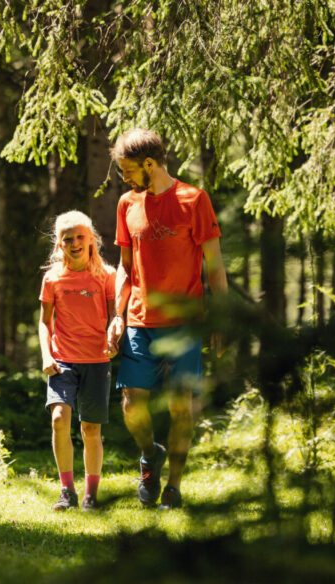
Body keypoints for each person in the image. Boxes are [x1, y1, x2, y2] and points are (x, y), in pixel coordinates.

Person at [105, 129, 228, 510]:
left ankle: (173, 487)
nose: (123, 178)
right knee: (131, 404)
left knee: (180, 406)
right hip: (140, 321)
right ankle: (148, 454)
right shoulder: (128, 204)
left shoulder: (194, 200)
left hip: (184, 323)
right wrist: (117, 315)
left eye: (127, 170)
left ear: (150, 164)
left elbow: (216, 268)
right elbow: (125, 268)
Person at [38, 211, 116, 511]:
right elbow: (45, 322)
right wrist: (46, 355)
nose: (74, 243)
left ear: (92, 240)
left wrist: (113, 335)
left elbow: (115, 315)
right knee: (59, 418)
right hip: (62, 360)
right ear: (59, 244)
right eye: (67, 238)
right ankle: (67, 490)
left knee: (91, 429)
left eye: (80, 237)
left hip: (96, 360)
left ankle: (91, 494)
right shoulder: (53, 278)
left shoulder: (105, 276)